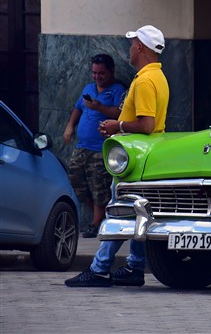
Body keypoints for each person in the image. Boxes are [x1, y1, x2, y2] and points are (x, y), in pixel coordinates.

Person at [65, 24, 170, 287]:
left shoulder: (145, 80)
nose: (129, 49)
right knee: (136, 213)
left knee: (120, 214)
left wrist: (117, 126)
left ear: (140, 48)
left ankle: (99, 269)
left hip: (132, 160)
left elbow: (146, 124)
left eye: (132, 44)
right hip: (143, 156)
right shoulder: (157, 76)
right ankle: (134, 266)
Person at [63, 54, 126, 238]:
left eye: (101, 73)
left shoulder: (118, 90)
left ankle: (96, 221)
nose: (97, 77)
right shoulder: (89, 88)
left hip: (101, 148)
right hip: (82, 146)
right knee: (76, 180)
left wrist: (99, 107)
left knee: (99, 185)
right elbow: (78, 108)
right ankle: (100, 214)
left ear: (111, 71)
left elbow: (120, 113)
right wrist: (69, 126)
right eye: (94, 73)